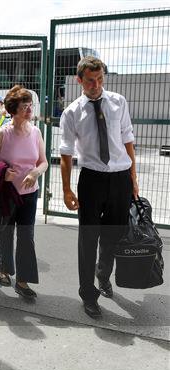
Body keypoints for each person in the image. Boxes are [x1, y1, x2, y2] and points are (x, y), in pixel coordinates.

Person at [59, 56, 138, 318]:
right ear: (79, 80)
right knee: (88, 239)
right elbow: (66, 154)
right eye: (90, 80)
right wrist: (67, 189)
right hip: (92, 180)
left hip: (120, 178)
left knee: (113, 236)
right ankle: (87, 293)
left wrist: (133, 179)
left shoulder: (118, 102)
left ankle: (103, 275)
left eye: (100, 79)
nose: (96, 85)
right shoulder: (72, 112)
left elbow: (127, 139)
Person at [0, 85, 48, 299]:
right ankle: (3, 268)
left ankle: (22, 281)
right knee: (6, 234)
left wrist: (35, 173)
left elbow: (44, 162)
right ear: (13, 109)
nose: (29, 109)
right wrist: (0, 172)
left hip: (30, 193)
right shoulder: (3, 134)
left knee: (27, 236)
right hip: (6, 193)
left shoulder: (36, 132)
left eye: (30, 105)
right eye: (24, 106)